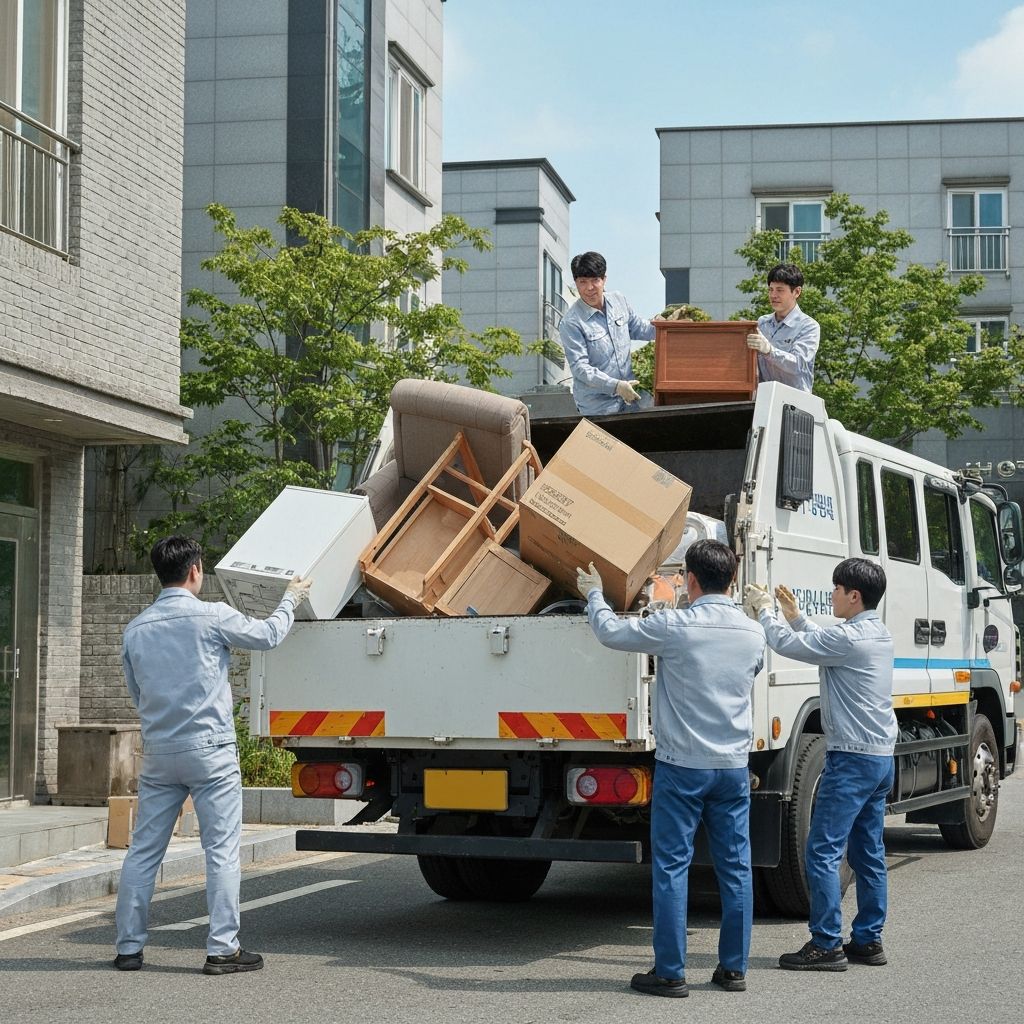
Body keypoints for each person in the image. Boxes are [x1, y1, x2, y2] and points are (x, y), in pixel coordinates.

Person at [113, 536, 312, 975]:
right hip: (210, 751)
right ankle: (222, 948)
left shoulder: (136, 629)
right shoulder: (212, 616)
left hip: (160, 751)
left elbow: (137, 693)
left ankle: (129, 948)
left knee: (144, 851)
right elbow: (268, 635)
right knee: (220, 850)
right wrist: (290, 599)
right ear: (196, 571)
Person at [577, 540, 765, 998]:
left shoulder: (676, 625)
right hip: (733, 769)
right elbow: (752, 670)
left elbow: (612, 635)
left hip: (683, 768)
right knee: (736, 868)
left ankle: (671, 972)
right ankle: (733, 969)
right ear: (734, 581)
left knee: (672, 867)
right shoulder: (752, 631)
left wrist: (594, 594)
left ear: (691, 580)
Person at [743, 559, 897, 972]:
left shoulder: (850, 639)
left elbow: (790, 647)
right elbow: (823, 640)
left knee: (823, 851)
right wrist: (798, 618)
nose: (832, 595)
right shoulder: (875, 633)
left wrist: (766, 612)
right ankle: (868, 940)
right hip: (880, 758)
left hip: (851, 760)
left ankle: (826, 944)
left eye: (836, 589)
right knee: (868, 853)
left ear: (854, 596)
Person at [559, 250, 656, 415]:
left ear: (604, 279)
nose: (589, 288)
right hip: (598, 407)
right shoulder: (571, 323)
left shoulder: (619, 300)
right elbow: (581, 369)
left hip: (632, 396)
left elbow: (639, 328)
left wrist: (666, 325)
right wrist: (616, 386)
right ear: (576, 282)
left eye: (595, 280)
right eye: (583, 282)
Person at [745, 262, 819, 392]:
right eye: (771, 289)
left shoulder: (809, 326)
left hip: (796, 405)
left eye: (780, 290)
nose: (773, 295)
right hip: (764, 400)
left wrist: (769, 351)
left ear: (796, 292)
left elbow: (798, 365)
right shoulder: (762, 323)